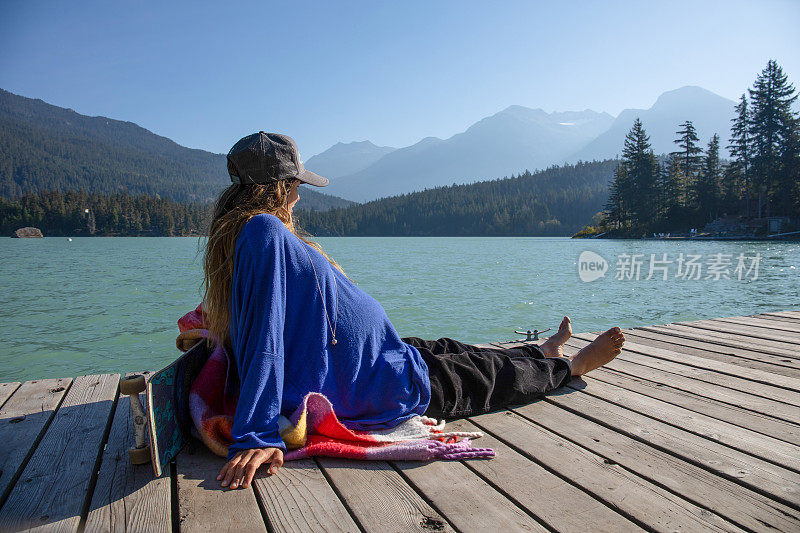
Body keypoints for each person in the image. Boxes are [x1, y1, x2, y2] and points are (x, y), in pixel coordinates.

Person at [202, 132, 625, 491]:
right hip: (378, 385)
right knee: (484, 376)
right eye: (295, 183)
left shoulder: (249, 236)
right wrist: (254, 435)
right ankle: (569, 368)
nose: (298, 194)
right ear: (278, 185)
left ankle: (542, 351)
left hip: (379, 357)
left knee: (452, 349)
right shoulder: (264, 230)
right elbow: (265, 337)